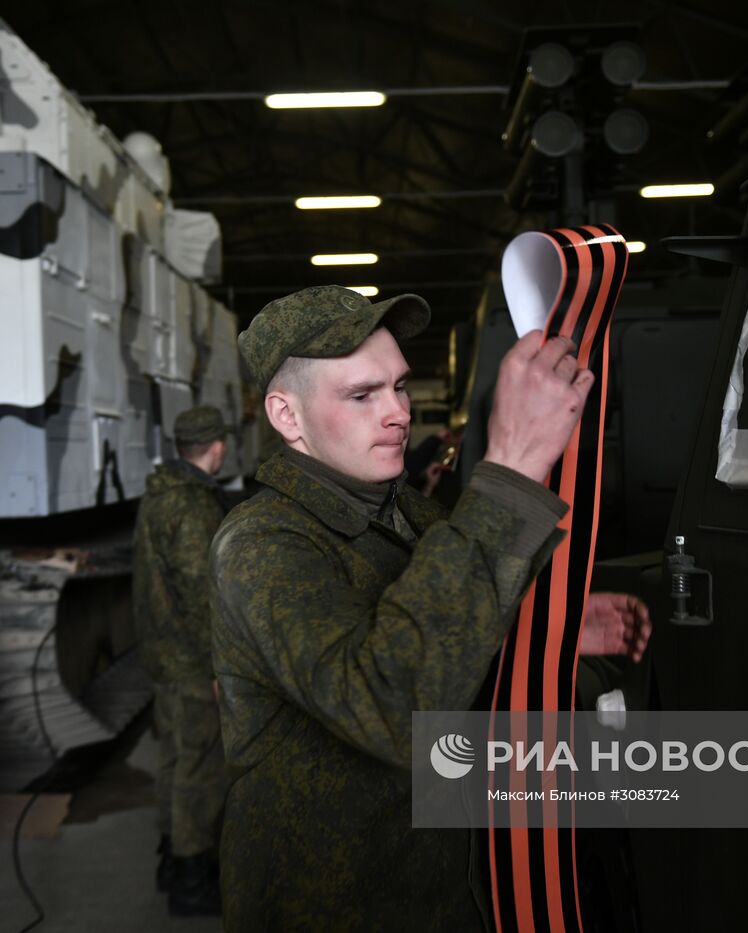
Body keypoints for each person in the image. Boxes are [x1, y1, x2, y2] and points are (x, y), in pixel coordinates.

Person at [209, 285, 650, 930]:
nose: (396, 414)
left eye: (399, 387)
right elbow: (392, 705)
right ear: (287, 415)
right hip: (339, 902)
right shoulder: (262, 544)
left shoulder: (408, 511)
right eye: (362, 395)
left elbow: (441, 632)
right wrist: (514, 464)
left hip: (444, 880)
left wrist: (536, 630)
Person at [132, 404, 231, 915]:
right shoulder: (194, 506)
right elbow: (200, 592)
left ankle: (172, 857)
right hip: (191, 661)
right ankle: (193, 878)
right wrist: (219, 666)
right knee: (200, 767)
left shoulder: (159, 495)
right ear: (217, 446)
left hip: (162, 654)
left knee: (172, 759)